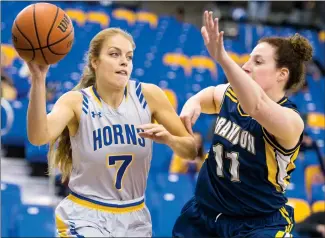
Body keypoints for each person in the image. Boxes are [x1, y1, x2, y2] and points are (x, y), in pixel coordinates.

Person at [26, 27, 197, 237]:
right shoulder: (77, 102)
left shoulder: (149, 96)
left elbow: (190, 150)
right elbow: (38, 136)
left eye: (129, 57)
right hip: (85, 215)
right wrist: (38, 80)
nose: (124, 62)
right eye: (114, 54)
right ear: (95, 62)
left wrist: (170, 139)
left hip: (135, 217)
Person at [173, 11, 313, 237]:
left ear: (282, 74)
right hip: (204, 214)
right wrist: (193, 103)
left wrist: (222, 57)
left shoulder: (291, 121)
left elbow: (256, 107)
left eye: (257, 62)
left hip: (257, 225)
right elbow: (210, 94)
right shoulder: (231, 94)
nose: (246, 66)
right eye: (248, 59)